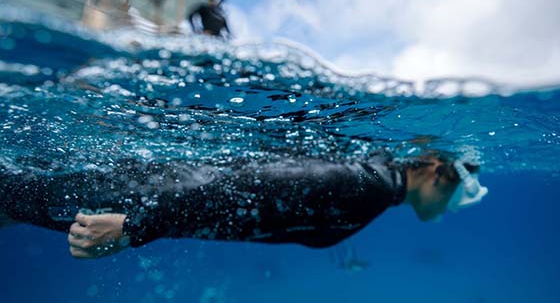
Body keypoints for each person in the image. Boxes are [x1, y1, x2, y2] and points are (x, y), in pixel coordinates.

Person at [0, 151, 487, 259]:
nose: (453, 202)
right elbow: (242, 185)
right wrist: (134, 226)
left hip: (152, 197)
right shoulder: (366, 184)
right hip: (142, 197)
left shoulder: (377, 188)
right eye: (458, 187)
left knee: (13, 201)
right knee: (11, 195)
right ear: (435, 169)